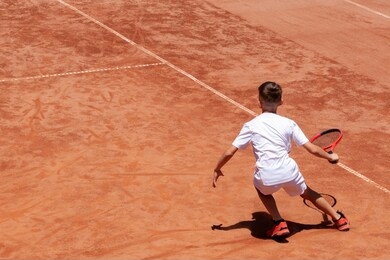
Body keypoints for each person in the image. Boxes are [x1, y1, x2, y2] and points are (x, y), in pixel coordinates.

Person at [212, 81, 350, 238]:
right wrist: (330, 156)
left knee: (262, 190)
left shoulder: (251, 125)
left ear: (259, 102)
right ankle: (339, 219)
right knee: (307, 192)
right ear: (281, 101)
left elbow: (230, 152)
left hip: (266, 175)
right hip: (289, 171)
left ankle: (278, 222)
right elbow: (312, 148)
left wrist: (217, 168)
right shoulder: (289, 124)